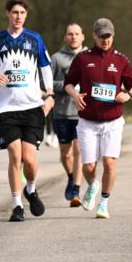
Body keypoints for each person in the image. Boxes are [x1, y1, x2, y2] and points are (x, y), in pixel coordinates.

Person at [0, 0, 54, 223]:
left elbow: (46, 68)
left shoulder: (35, 39)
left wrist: (49, 95)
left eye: (22, 13)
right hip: (6, 109)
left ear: (26, 15)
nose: (18, 16)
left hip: (32, 107)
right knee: (15, 155)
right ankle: (17, 205)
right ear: (7, 14)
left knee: (29, 160)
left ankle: (30, 189)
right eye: (14, 12)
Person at [64, 18, 132, 220]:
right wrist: (75, 95)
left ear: (113, 36)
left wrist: (129, 95)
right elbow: (68, 83)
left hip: (113, 121)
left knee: (109, 163)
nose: (105, 40)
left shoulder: (121, 60)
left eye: (108, 36)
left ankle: (104, 203)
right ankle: (92, 184)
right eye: (101, 36)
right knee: (88, 167)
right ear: (94, 36)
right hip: (88, 121)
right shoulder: (82, 58)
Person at [50, 24, 87, 206]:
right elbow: (46, 83)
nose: (73, 37)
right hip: (62, 113)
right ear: (65, 37)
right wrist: (67, 86)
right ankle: (71, 177)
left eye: (77, 34)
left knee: (79, 150)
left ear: (83, 37)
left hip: (83, 113)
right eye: (70, 34)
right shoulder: (56, 58)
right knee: (66, 154)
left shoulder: (89, 57)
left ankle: (77, 189)